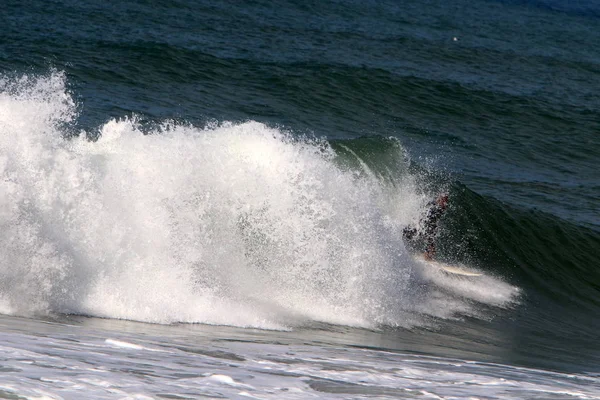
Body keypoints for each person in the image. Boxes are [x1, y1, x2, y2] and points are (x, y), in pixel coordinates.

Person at [403, 193, 449, 261]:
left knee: (430, 241)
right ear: (440, 200)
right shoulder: (436, 210)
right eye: (444, 201)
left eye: (446, 201)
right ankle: (427, 258)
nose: (446, 203)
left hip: (416, 227)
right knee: (430, 241)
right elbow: (429, 224)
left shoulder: (434, 204)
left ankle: (426, 256)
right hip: (416, 228)